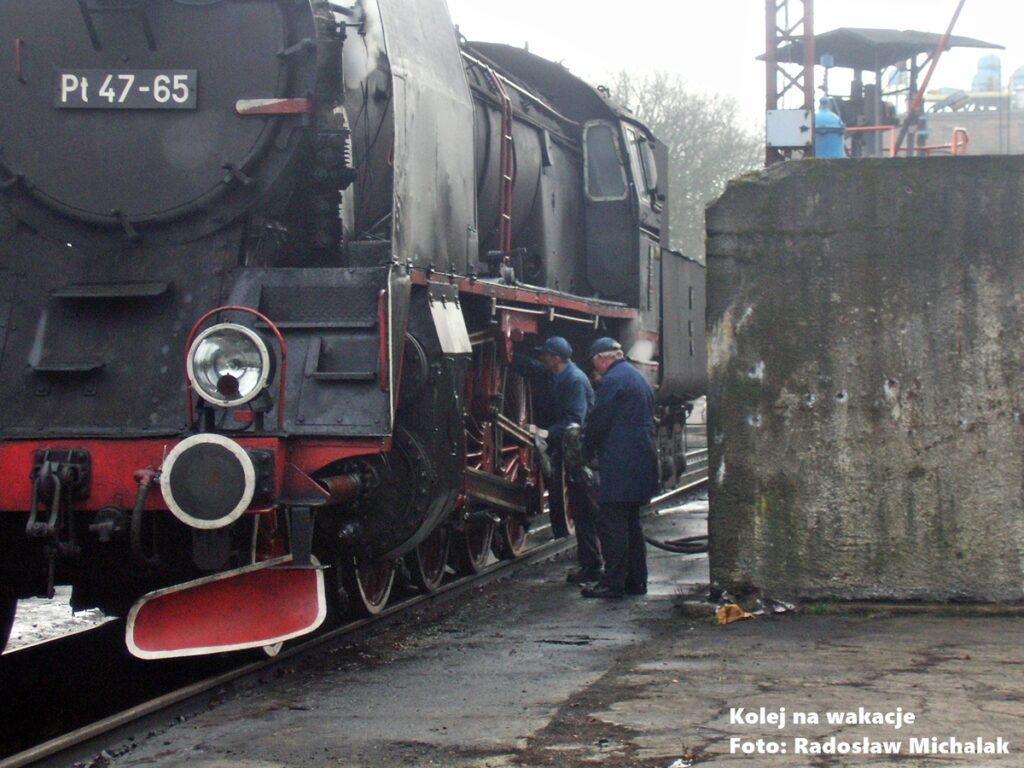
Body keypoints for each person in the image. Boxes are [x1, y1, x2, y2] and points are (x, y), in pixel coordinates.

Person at [513, 336, 602, 582]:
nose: (542, 358)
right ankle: (592, 564)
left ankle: (595, 565)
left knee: (586, 509)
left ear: (555, 358)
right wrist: (510, 356)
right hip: (573, 453)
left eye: (545, 355)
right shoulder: (560, 374)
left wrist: (547, 432)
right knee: (583, 509)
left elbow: (575, 420)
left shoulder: (572, 380)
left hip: (580, 455)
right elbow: (535, 369)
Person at [581, 337, 659, 599]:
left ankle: (612, 583)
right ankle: (637, 581)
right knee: (631, 523)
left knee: (612, 523)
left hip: (621, 461)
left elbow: (599, 421)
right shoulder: (637, 377)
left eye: (595, 363)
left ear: (603, 358)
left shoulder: (613, 381)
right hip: (641, 458)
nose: (596, 369)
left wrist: (585, 450)